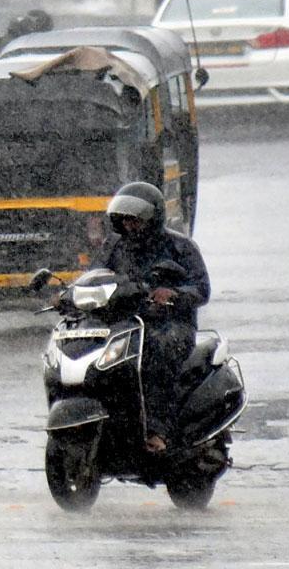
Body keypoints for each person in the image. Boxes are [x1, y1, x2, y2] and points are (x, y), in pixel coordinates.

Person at [96, 181, 210, 454]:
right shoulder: (115, 247)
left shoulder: (180, 247)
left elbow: (201, 289)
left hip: (169, 324)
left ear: (152, 219)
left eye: (135, 220)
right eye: (124, 220)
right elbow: (96, 276)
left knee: (156, 355)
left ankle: (158, 429)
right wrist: (68, 295)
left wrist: (173, 295)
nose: (130, 226)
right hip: (125, 322)